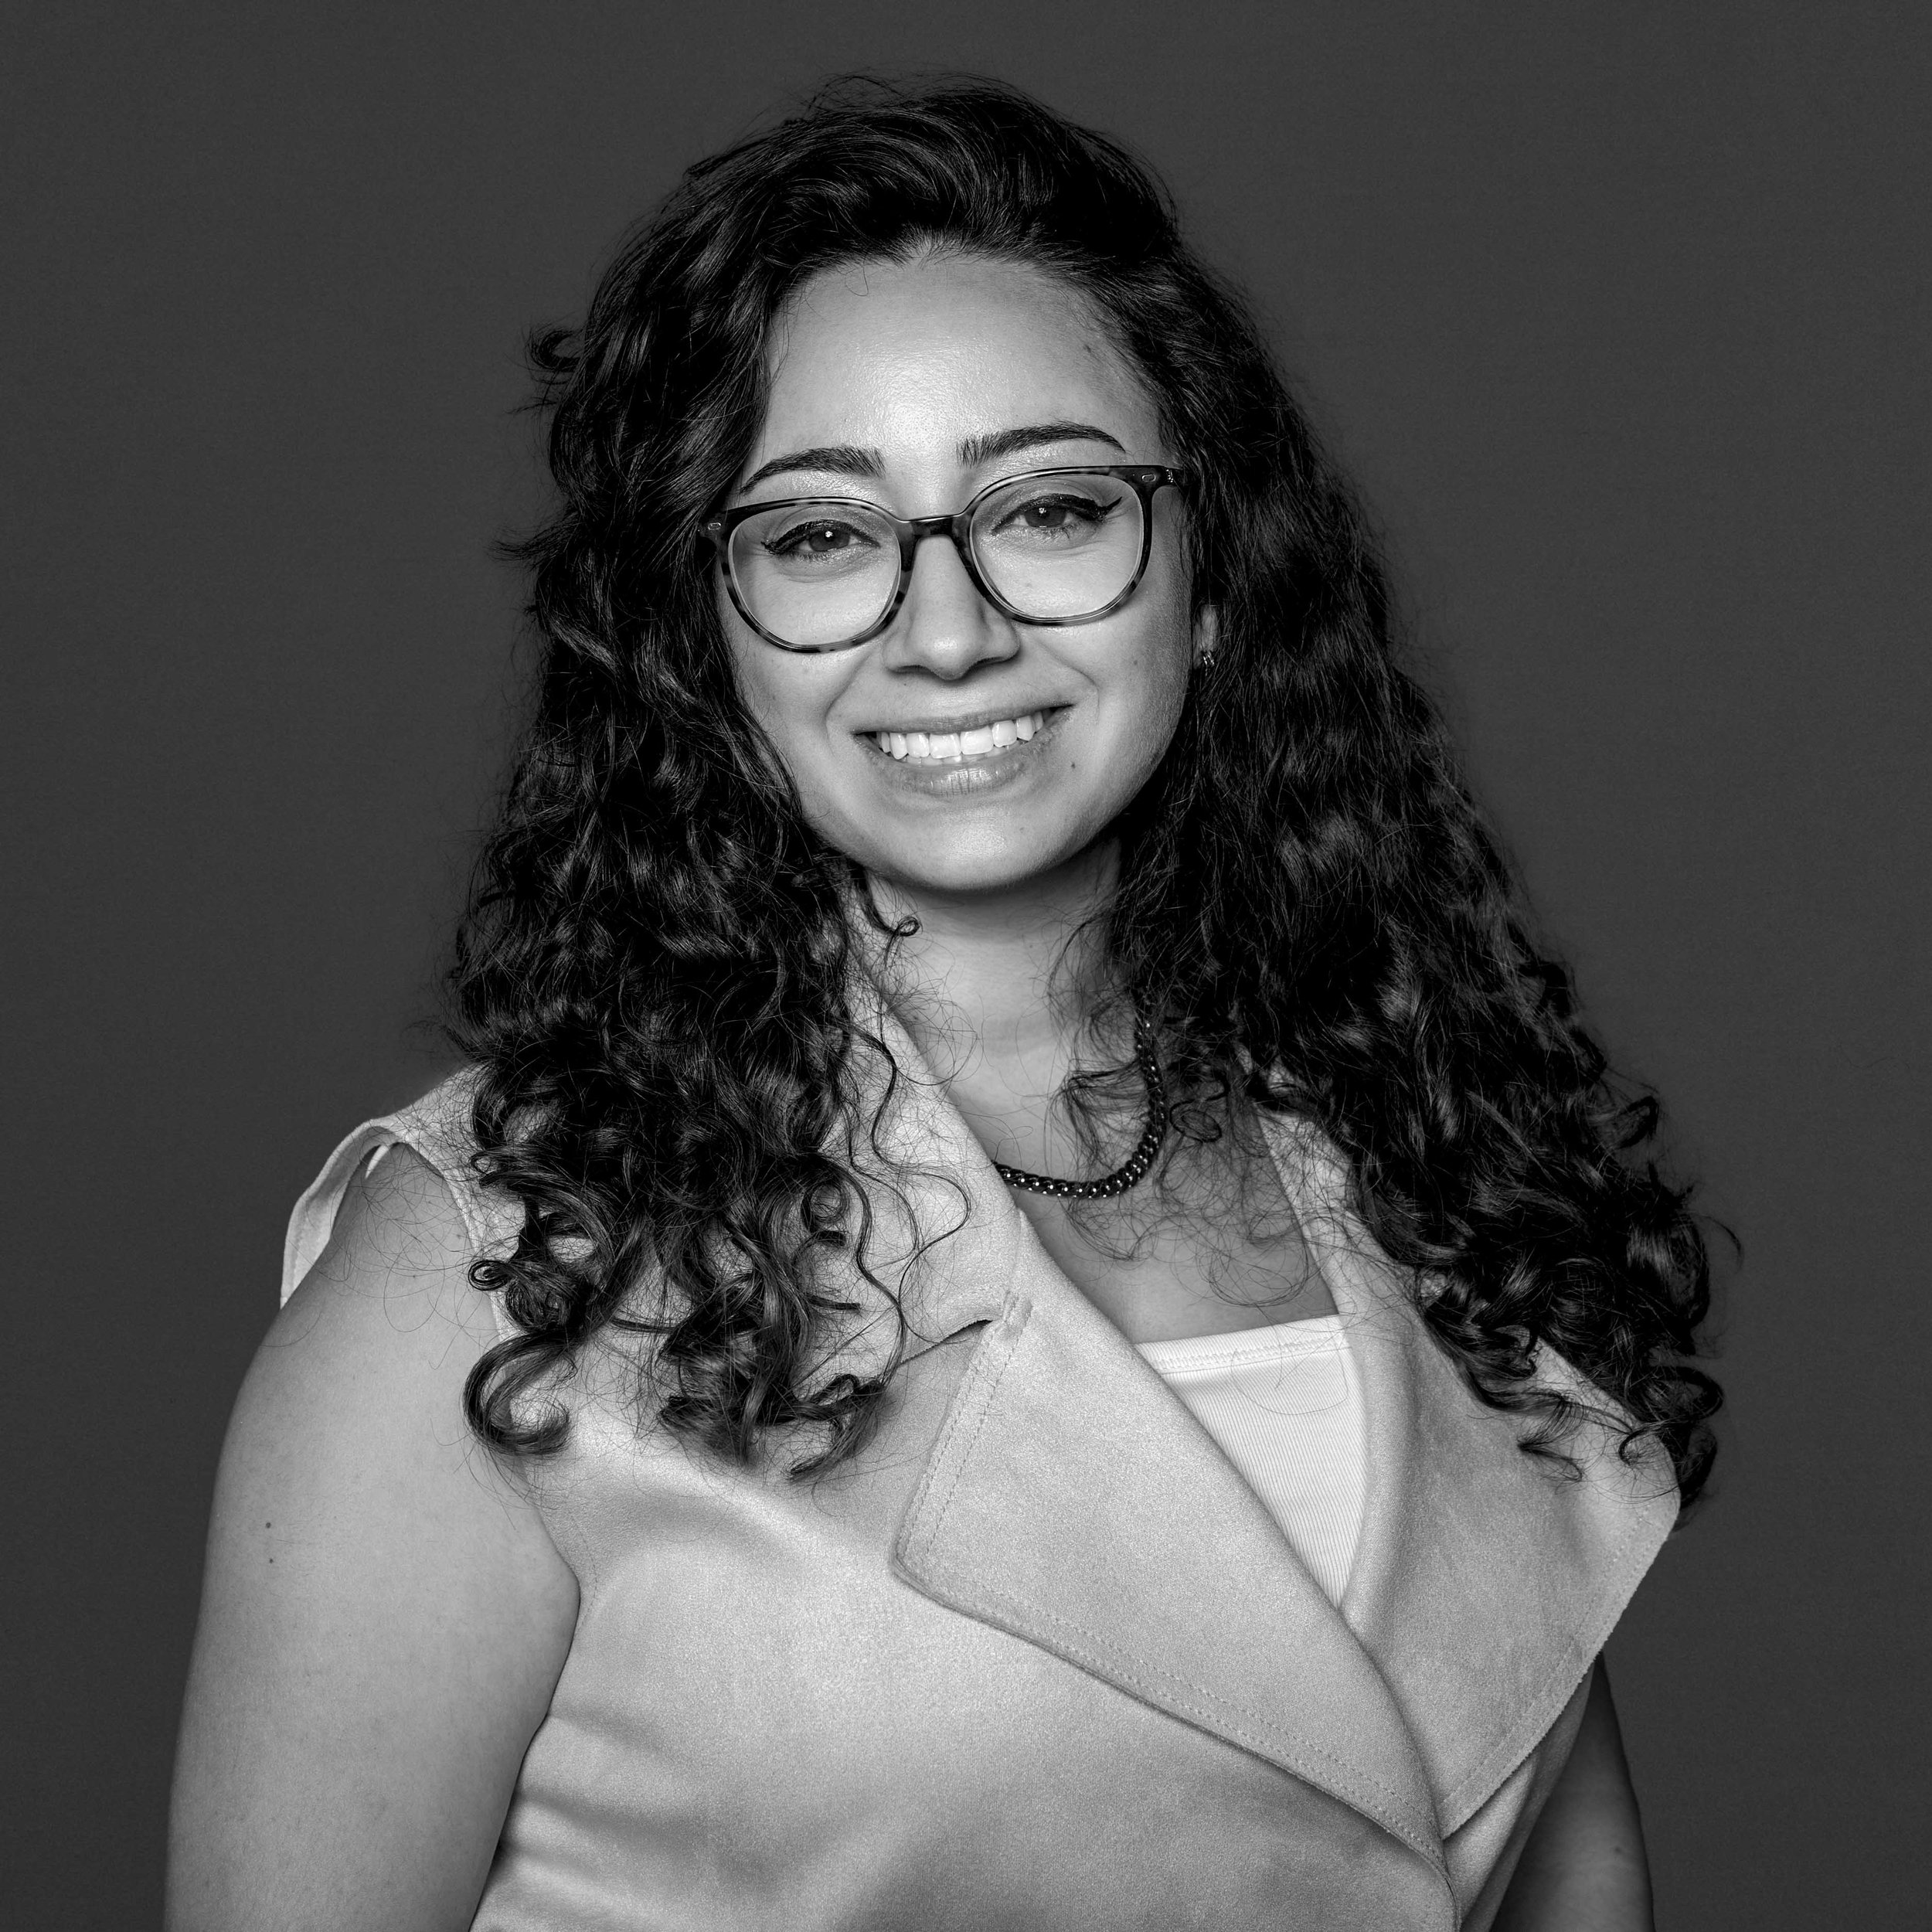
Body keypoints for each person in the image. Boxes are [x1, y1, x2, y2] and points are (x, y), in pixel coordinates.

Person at [167, 77, 1719, 1932]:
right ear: (702, 633)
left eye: (1048, 506)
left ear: (1212, 576)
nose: (948, 624)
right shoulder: (484, 1271)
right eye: (820, 536)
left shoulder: (1422, 1178)